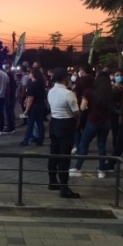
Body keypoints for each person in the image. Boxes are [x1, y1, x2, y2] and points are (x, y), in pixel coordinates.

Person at [71, 71, 114, 178]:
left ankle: (78, 168)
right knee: (101, 146)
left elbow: (82, 107)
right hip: (106, 123)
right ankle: (101, 170)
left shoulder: (89, 92)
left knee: (83, 145)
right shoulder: (110, 93)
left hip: (92, 122)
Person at [46, 67, 80, 199]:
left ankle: (52, 181)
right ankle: (64, 188)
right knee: (64, 157)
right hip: (65, 125)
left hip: (54, 123)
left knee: (53, 154)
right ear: (65, 78)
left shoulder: (50, 92)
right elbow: (76, 113)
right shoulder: (68, 93)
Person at [19, 68, 46, 146]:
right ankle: (40, 140)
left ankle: (26, 140)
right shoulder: (41, 83)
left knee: (30, 124)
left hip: (33, 107)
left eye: (30, 73)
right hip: (40, 105)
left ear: (33, 75)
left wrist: (26, 110)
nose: (29, 75)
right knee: (40, 123)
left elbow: (31, 98)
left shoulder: (32, 84)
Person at [2, 59, 17, 134]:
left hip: (10, 95)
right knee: (9, 111)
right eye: (4, 64)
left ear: (9, 65)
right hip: (11, 95)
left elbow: (9, 86)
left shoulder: (9, 74)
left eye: (6, 64)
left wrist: (8, 96)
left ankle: (10, 127)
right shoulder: (9, 73)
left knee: (8, 111)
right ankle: (11, 126)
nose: (4, 65)